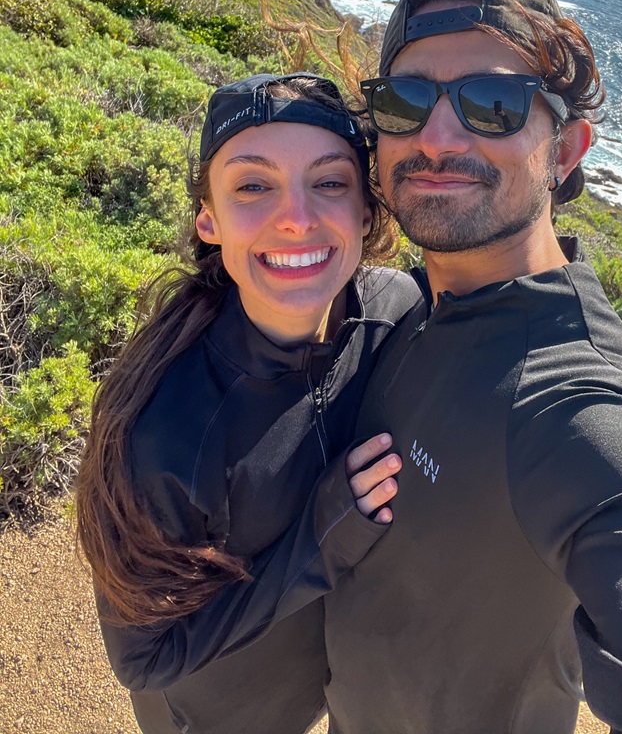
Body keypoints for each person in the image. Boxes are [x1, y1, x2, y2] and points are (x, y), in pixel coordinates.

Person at [323, 0, 622, 734]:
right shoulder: (413, 305)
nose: (436, 135)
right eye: (406, 99)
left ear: (565, 151)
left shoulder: (576, 400)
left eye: (492, 102)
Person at [76, 72, 421, 734]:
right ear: (210, 218)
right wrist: (318, 544)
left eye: (329, 183)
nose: (296, 216)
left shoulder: (394, 311)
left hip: (318, 692)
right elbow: (143, 660)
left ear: (365, 212)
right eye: (253, 186)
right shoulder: (165, 432)